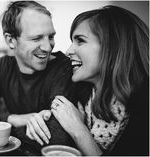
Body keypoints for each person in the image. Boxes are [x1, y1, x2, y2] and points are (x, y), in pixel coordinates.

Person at [0, 0, 75, 154]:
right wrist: (16, 119)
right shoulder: (3, 67)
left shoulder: (63, 67)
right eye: (36, 38)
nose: (48, 47)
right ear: (11, 41)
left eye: (50, 36)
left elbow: (58, 138)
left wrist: (6, 128)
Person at [27, 5, 149, 156]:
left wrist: (79, 130)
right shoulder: (81, 89)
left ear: (112, 46)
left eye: (80, 41)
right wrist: (42, 119)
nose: (68, 51)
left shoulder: (144, 103)